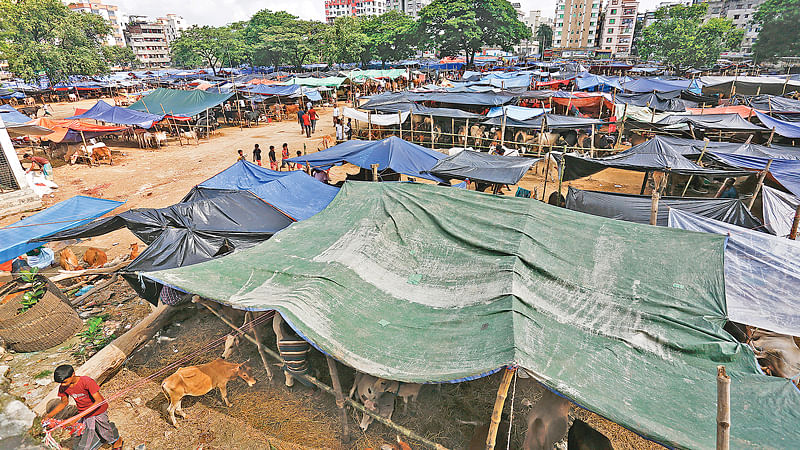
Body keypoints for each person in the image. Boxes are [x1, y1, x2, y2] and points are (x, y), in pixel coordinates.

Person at [43, 364, 123, 450]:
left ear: (73, 374)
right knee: (83, 433)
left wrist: (76, 417)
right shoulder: (64, 387)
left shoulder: (86, 382)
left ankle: (117, 441)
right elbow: (64, 402)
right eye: (61, 383)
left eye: (64, 381)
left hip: (99, 410)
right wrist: (49, 415)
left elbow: (99, 401)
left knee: (104, 430)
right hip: (84, 413)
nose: (62, 385)